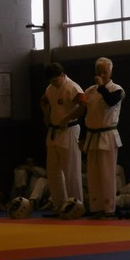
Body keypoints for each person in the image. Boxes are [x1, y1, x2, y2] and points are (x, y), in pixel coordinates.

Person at [79, 57, 124, 218]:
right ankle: (96, 207)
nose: (102, 75)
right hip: (92, 135)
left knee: (107, 173)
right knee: (93, 174)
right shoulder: (89, 91)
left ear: (110, 72)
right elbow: (86, 115)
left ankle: (109, 208)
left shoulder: (117, 89)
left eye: (105, 72)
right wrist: (82, 137)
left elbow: (111, 102)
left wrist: (101, 86)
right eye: (99, 72)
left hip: (107, 135)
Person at [39, 62, 84, 212]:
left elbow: (84, 105)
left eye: (55, 80)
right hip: (54, 132)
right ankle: (59, 204)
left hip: (69, 130)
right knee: (53, 172)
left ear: (62, 75)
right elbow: (43, 101)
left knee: (71, 171)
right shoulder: (50, 89)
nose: (53, 83)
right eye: (51, 81)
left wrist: (68, 117)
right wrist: (46, 114)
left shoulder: (72, 87)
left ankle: (76, 205)